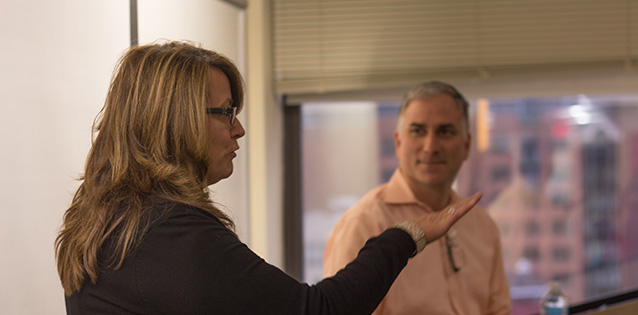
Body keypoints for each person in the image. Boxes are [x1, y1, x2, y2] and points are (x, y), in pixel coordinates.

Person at [54, 42, 482, 315]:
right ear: (176, 120)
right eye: (225, 113)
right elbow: (318, 311)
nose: (238, 129)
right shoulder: (169, 230)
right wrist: (408, 235)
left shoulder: (114, 220)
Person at [323, 81, 511, 314]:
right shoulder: (362, 224)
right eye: (417, 131)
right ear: (398, 142)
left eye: (445, 131)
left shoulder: (482, 225)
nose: (430, 146)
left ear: (466, 145)